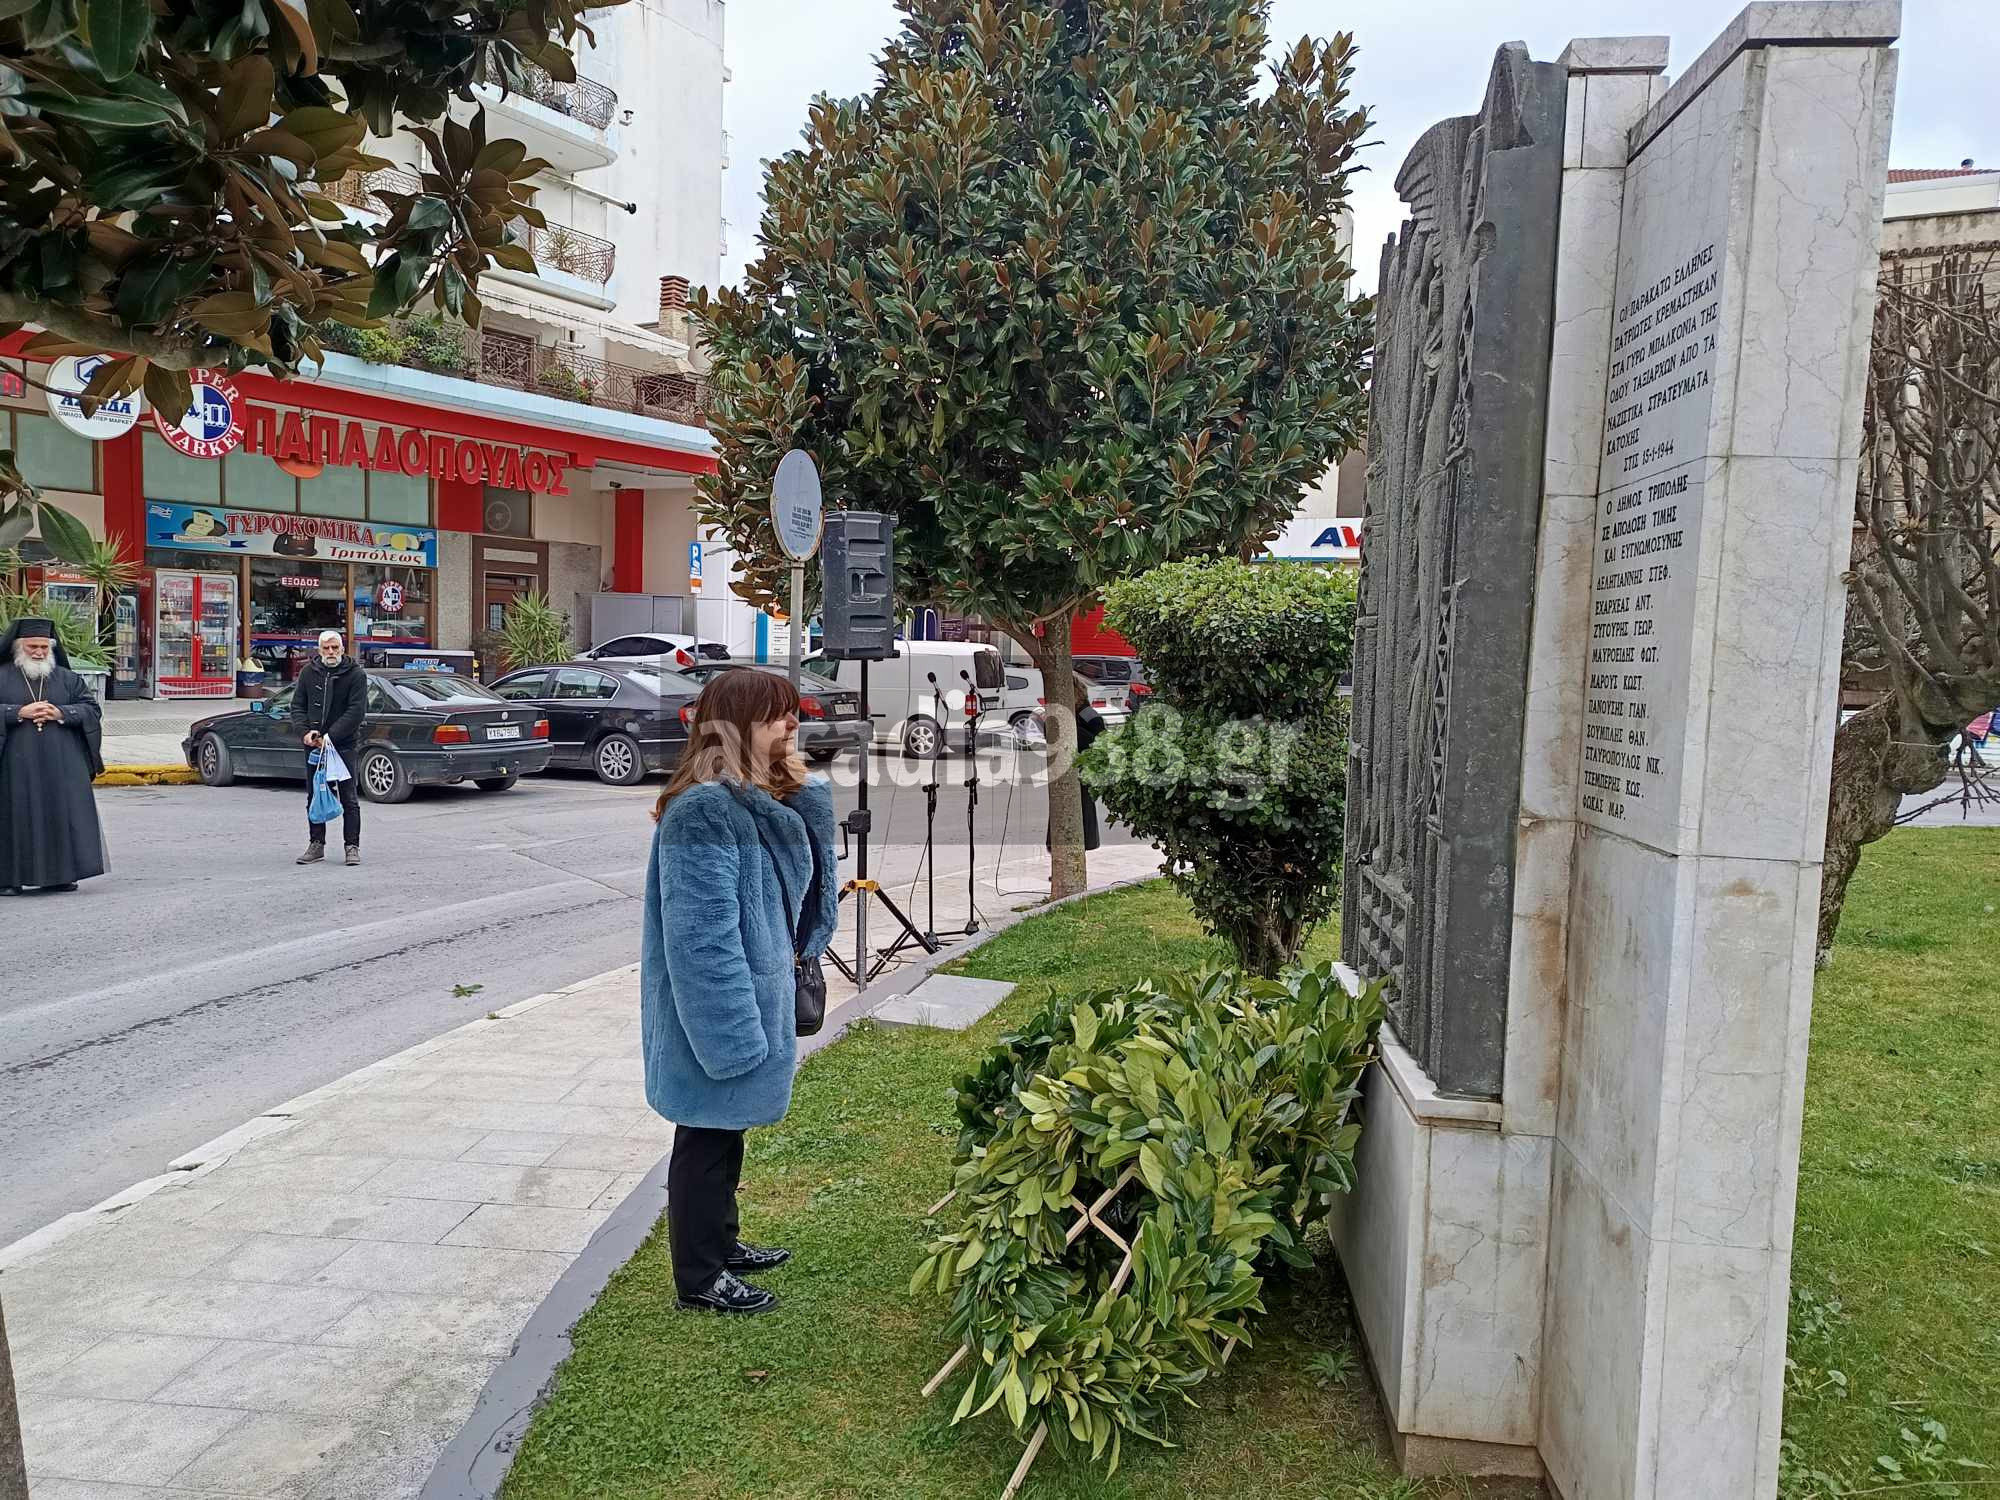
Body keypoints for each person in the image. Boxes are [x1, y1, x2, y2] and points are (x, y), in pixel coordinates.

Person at [641, 668, 837, 1315]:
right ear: (737, 725)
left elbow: (804, 900)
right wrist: (731, 1034)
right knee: (703, 1138)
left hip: (750, 1002)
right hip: (715, 1013)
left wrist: (804, 795)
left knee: (725, 1135)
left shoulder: (752, 801)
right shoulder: (704, 810)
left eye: (792, 712)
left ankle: (722, 1243)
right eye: (777, 714)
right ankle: (700, 1277)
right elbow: (701, 941)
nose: (793, 722)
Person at [0, 616, 107, 895]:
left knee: (59, 816)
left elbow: (91, 710)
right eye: (32, 647)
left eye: (44, 647)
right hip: (13, 765)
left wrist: (61, 712)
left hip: (61, 764)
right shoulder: (1, 676)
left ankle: (61, 876)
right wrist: (16, 712)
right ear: (18, 647)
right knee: (13, 817)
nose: (38, 652)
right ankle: (8, 879)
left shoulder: (68, 679)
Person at [294, 629, 366, 866]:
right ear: (320, 650)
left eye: (335, 647)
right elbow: (298, 707)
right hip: (314, 745)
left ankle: (352, 846)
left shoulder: (355, 674)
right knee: (315, 795)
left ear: (342, 649)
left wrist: (331, 736)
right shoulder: (308, 672)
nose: (331, 652)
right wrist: (305, 732)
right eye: (326, 648)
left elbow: (356, 711)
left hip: (343, 745)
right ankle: (316, 844)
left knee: (349, 797)